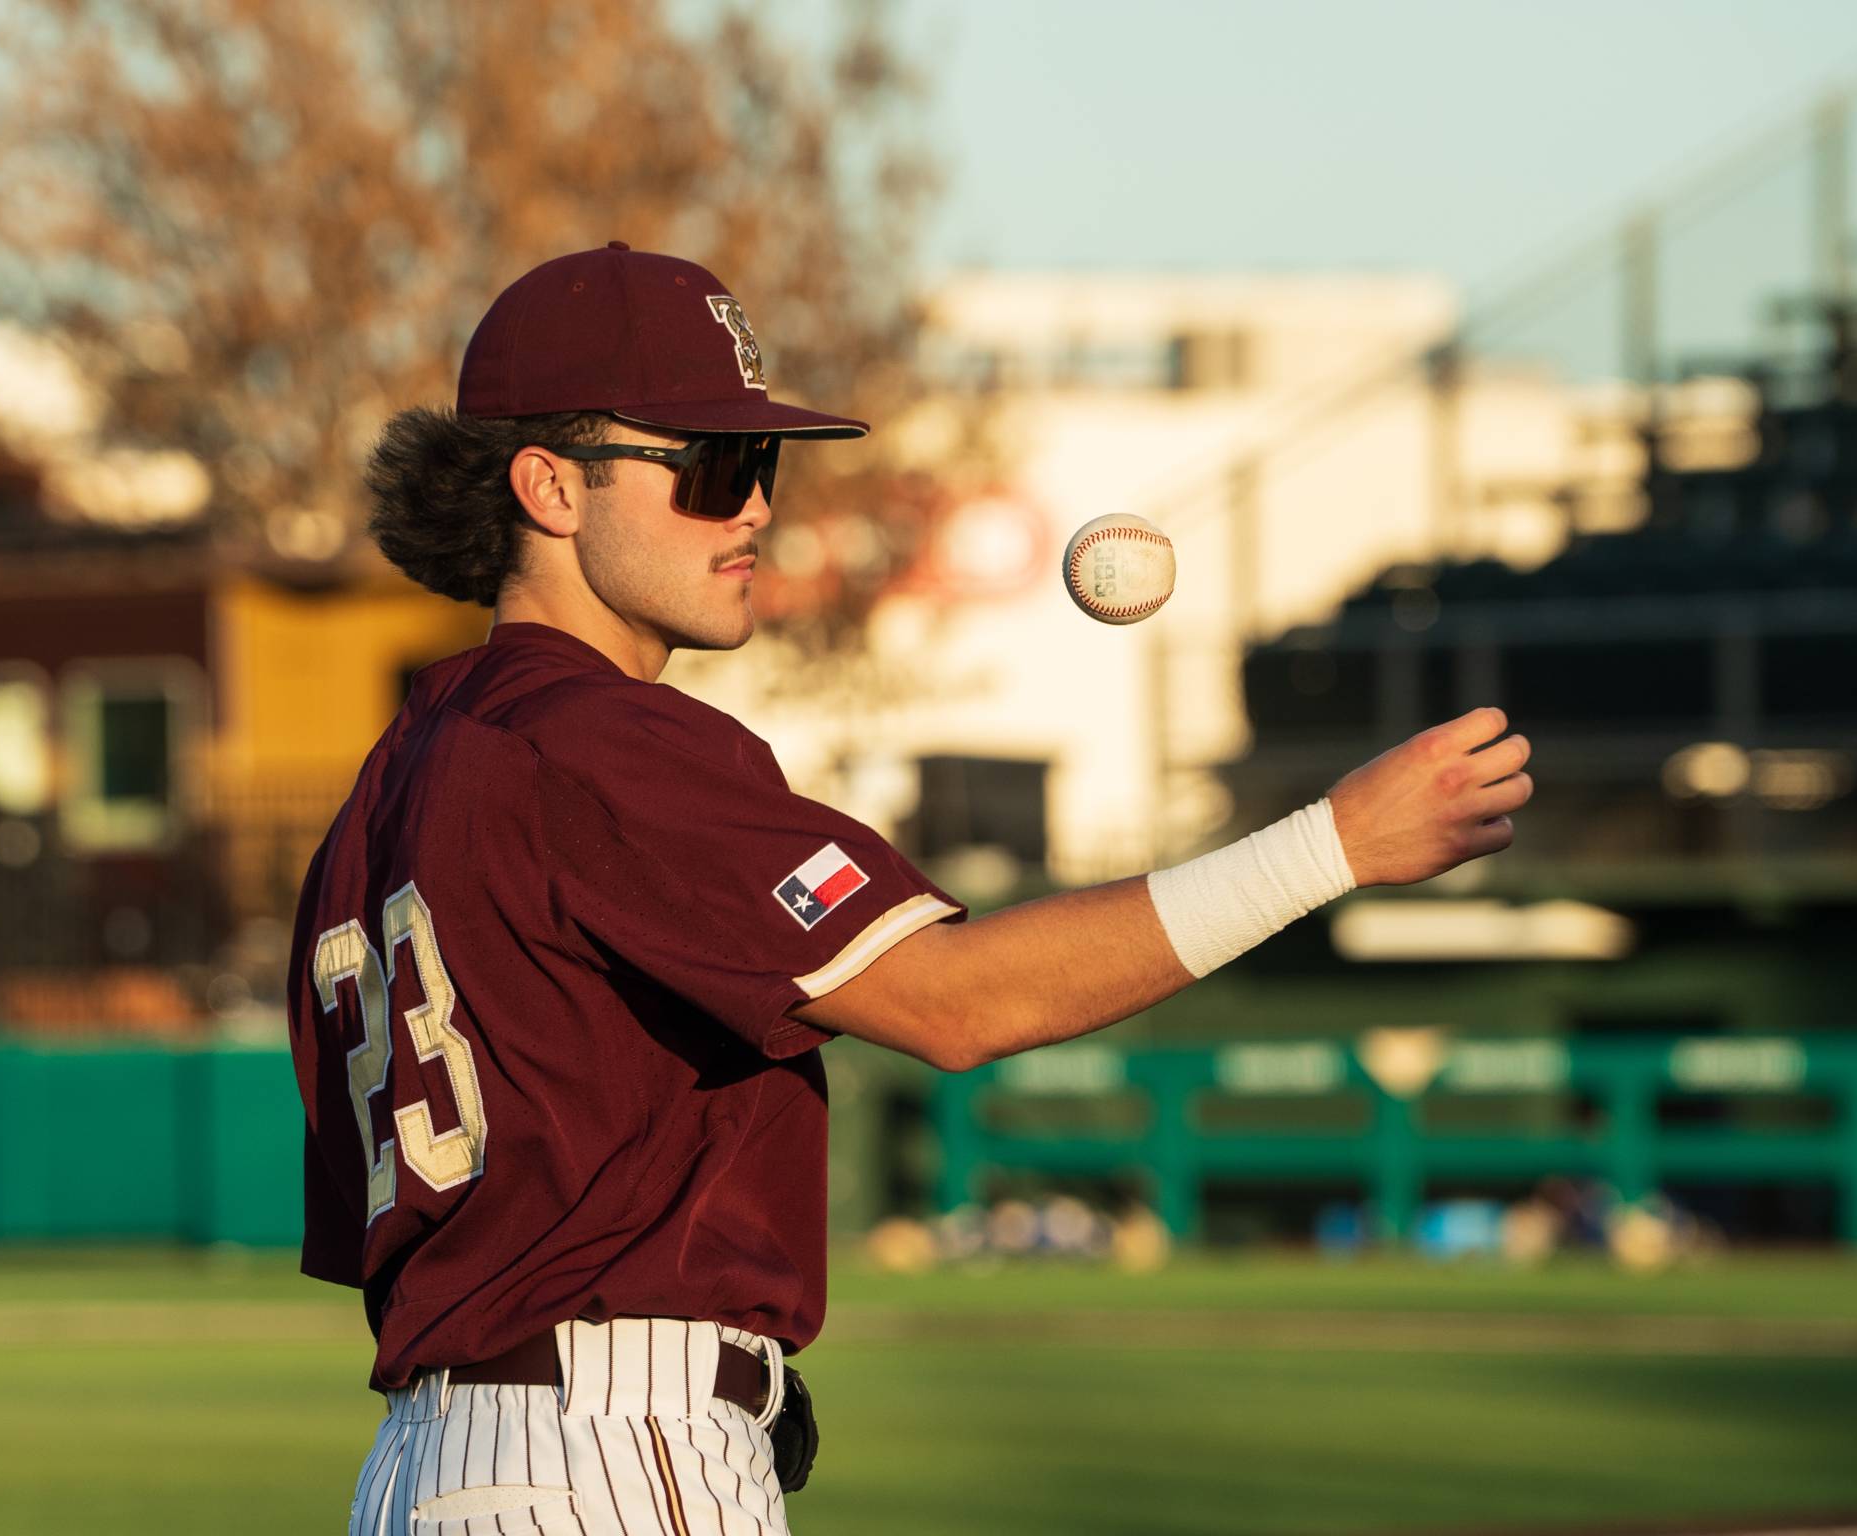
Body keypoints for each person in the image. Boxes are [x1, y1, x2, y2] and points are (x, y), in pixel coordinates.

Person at [286, 241, 1535, 1536]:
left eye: (760, 465)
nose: (753, 507)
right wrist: (1333, 845)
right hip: (603, 1448)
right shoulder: (599, 741)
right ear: (549, 485)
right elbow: (957, 1002)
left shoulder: (391, 785)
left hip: (431, 1463)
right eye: (708, 466)